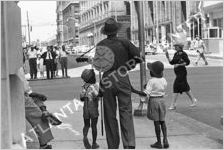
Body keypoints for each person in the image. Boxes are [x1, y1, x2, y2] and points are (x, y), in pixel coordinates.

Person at [93, 17, 142, 149]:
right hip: (122, 75)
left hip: (107, 78)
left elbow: (99, 64)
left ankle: (113, 145)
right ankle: (129, 144)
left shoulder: (101, 44)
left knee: (109, 113)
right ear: (116, 30)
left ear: (106, 32)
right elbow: (139, 57)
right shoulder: (125, 42)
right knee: (125, 110)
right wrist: (128, 66)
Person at [16, 67, 56, 149]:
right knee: (40, 117)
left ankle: (43, 144)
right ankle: (43, 145)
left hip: (21, 94)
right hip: (19, 95)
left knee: (40, 110)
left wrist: (31, 92)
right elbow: (21, 82)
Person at [135, 61, 169, 149]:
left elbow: (145, 93)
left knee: (156, 122)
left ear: (152, 72)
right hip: (162, 100)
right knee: (162, 121)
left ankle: (158, 142)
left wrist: (134, 90)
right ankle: (165, 140)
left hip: (154, 101)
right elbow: (162, 87)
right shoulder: (163, 79)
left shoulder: (151, 81)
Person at [164, 31, 197, 110]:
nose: (175, 47)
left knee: (176, 87)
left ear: (179, 47)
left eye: (176, 46)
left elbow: (188, 62)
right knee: (185, 87)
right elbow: (172, 63)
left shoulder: (183, 54)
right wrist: (167, 56)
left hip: (182, 72)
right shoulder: (176, 54)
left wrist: (180, 64)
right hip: (178, 73)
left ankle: (173, 104)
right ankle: (193, 100)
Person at [79, 69, 100, 149]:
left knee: (86, 125)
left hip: (86, 108)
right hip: (93, 108)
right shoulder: (95, 85)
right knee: (94, 126)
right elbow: (97, 96)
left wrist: (84, 93)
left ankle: (85, 137)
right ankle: (94, 143)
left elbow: (81, 98)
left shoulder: (84, 86)